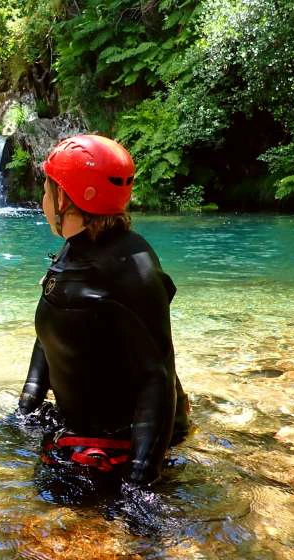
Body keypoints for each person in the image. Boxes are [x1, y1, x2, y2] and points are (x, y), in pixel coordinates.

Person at [18, 134, 190, 489]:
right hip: (78, 426)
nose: (43, 200)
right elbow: (50, 332)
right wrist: (27, 403)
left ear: (67, 199)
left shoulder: (132, 268)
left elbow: (155, 379)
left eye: (48, 190)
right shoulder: (74, 251)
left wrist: (140, 482)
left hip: (124, 440)